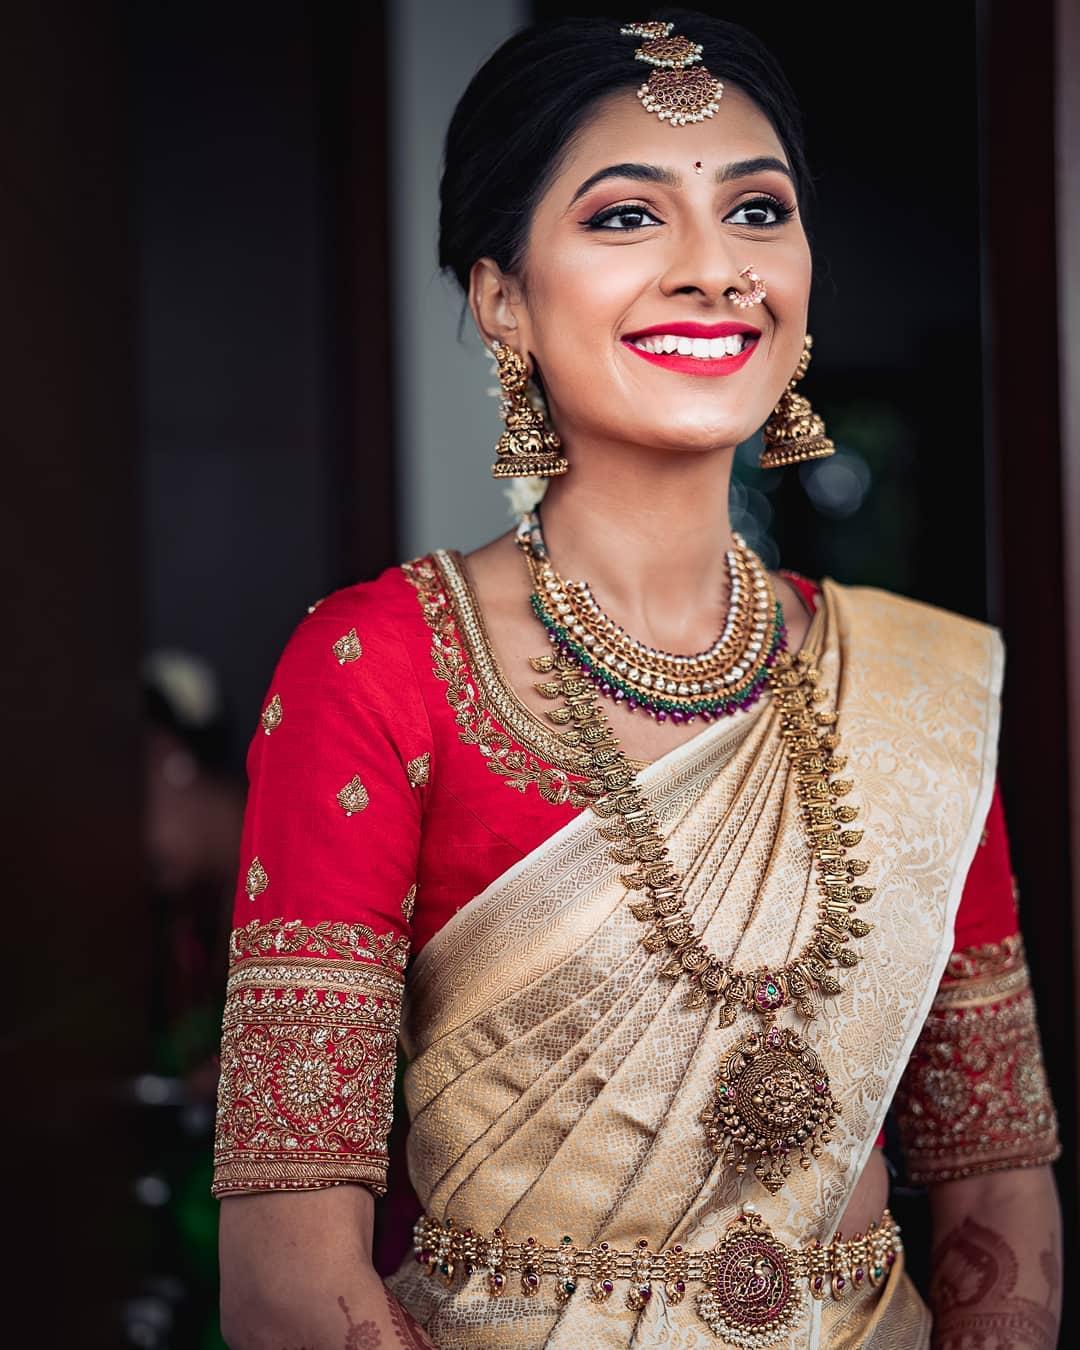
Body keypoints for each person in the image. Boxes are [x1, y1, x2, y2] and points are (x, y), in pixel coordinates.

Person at [213, 13, 1062, 1348]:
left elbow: (995, 1174)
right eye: (626, 218)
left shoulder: (917, 688)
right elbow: (285, 1279)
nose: (716, 269)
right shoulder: (377, 668)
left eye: (758, 210)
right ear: (502, 295)